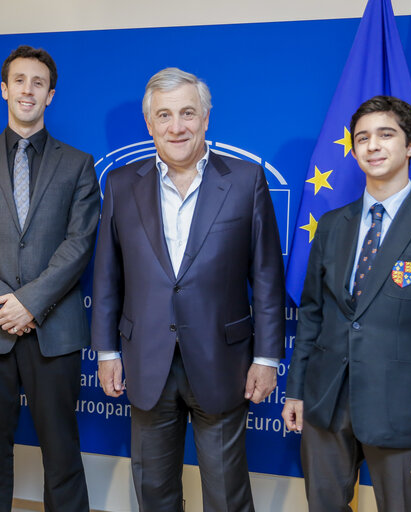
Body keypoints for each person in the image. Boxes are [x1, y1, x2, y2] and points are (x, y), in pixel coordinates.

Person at [91, 67, 286, 511]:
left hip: (224, 362)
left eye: (186, 113)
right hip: (146, 362)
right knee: (155, 493)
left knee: (226, 494)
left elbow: (268, 278)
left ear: (205, 118)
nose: (176, 126)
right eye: (164, 115)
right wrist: (106, 353)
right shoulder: (121, 185)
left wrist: (266, 357)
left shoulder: (245, 180)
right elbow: (107, 278)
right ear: (149, 124)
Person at [282, 95, 411, 512]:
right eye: (362, 138)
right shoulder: (333, 225)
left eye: (385, 135)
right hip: (326, 405)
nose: (372, 146)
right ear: (353, 150)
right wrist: (297, 391)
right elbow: (313, 315)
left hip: (403, 414)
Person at [0, 45, 99, 512]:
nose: (27, 90)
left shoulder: (78, 164)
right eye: (19, 80)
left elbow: (79, 245)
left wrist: (29, 303)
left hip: (55, 329)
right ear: (4, 89)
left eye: (38, 83)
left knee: (62, 452)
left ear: (50, 94)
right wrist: (5, 305)